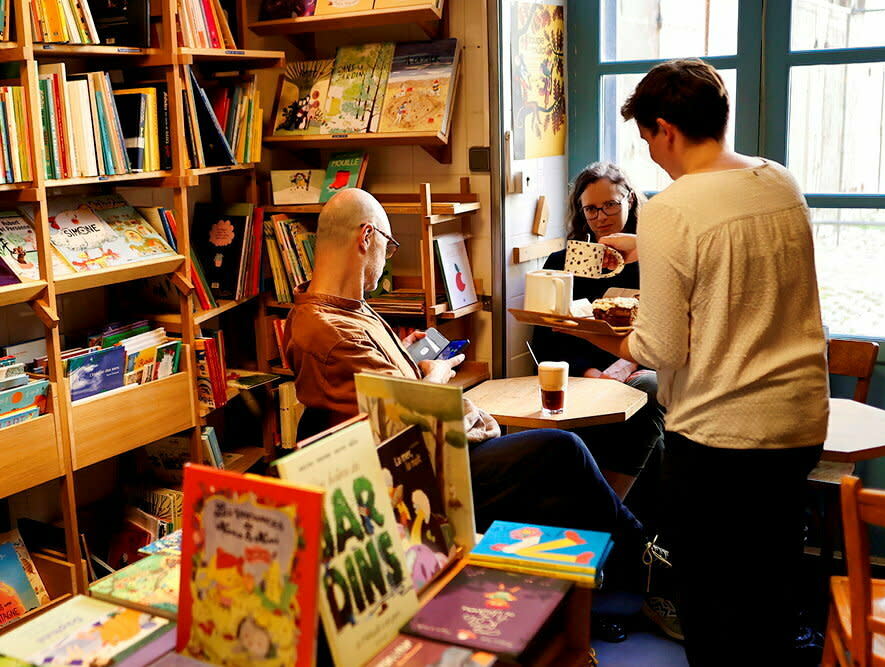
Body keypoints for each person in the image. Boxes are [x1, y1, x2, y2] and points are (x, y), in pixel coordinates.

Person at [282, 189, 669, 609]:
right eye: (389, 247)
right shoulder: (329, 329)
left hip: (427, 448)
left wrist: (412, 364)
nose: (387, 258)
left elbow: (378, 386)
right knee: (562, 451)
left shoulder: (346, 310)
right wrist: (439, 373)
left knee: (570, 461)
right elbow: (411, 418)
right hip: (420, 472)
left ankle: (622, 571)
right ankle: (648, 568)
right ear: (366, 238)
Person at [570, 59, 830, 666]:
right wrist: (647, 246)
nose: (654, 156)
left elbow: (659, 349)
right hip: (796, 424)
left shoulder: (673, 207)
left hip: (721, 439)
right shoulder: (779, 181)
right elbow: (737, 267)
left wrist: (586, 329)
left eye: (648, 141)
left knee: (713, 609)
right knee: (769, 592)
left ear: (666, 129)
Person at [532, 162, 664, 501]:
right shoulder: (562, 263)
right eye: (590, 208)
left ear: (630, 200)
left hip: (643, 371)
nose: (601, 216)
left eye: (610, 204)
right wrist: (591, 373)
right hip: (581, 378)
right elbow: (545, 341)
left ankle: (607, 507)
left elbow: (671, 332)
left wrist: (631, 368)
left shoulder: (656, 259)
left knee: (647, 389)